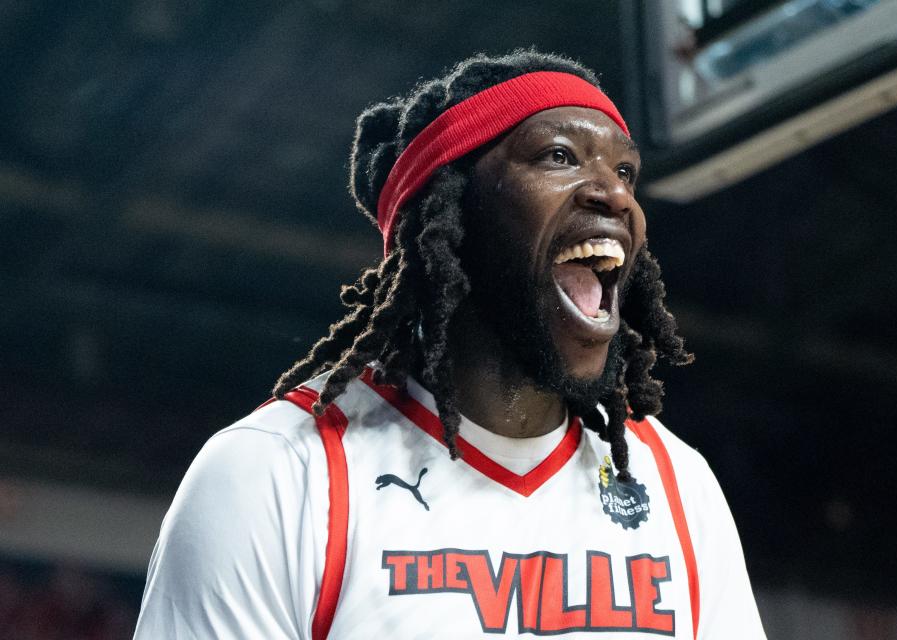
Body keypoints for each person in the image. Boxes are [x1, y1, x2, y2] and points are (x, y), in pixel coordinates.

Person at [134, 50, 766, 639]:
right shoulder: (276, 475)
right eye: (558, 157)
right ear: (451, 215)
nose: (615, 193)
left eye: (625, 170)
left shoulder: (678, 484)